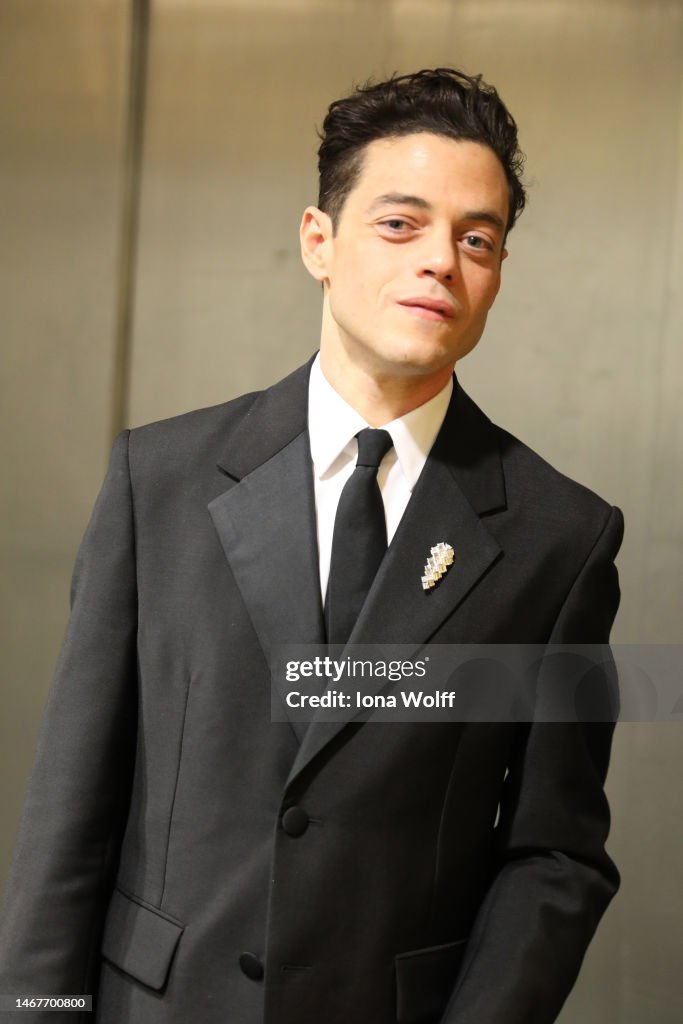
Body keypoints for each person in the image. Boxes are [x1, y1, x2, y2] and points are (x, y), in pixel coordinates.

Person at [0, 68, 623, 1023]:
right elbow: (71, 802)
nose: (440, 263)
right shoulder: (158, 481)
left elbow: (555, 851)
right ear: (318, 242)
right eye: (399, 224)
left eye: (476, 239)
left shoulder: (559, 538)